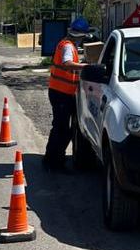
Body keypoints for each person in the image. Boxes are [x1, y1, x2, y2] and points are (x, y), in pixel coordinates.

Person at [43, 16, 89, 171]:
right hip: (61, 94)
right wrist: (85, 67)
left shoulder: (65, 43)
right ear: (81, 35)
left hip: (59, 92)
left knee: (59, 128)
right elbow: (67, 63)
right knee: (62, 130)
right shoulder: (68, 46)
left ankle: (50, 159)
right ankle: (55, 162)